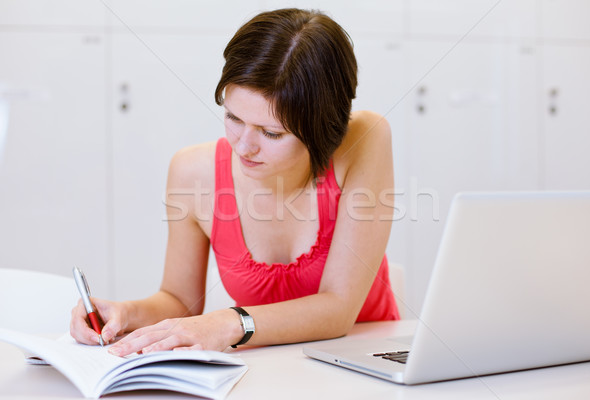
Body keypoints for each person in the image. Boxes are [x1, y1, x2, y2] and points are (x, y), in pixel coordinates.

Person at [70, 8, 399, 356]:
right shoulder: (191, 171)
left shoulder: (365, 140)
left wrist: (231, 322)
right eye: (233, 117)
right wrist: (126, 313)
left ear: (323, 130)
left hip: (368, 360)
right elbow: (180, 300)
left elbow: (338, 311)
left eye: (271, 133)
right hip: (265, 366)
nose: (243, 146)